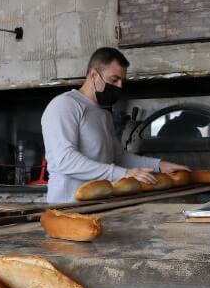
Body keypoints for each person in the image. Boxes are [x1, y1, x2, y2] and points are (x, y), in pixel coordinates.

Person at [41, 47, 190, 204]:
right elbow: (65, 160)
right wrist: (123, 174)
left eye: (121, 81)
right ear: (93, 75)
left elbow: (118, 158)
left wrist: (160, 165)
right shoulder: (64, 105)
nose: (119, 86)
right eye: (114, 80)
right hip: (67, 208)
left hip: (100, 204)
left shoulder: (103, 114)